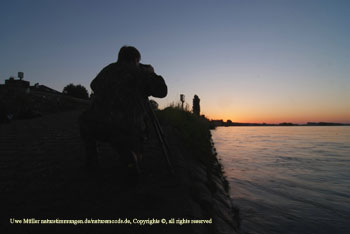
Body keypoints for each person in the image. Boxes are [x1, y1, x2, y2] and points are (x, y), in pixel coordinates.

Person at [79, 46, 167, 176]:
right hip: (128, 127)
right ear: (136, 59)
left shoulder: (108, 70)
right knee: (132, 137)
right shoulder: (140, 73)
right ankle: (133, 157)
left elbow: (94, 85)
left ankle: (92, 160)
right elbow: (162, 91)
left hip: (98, 124)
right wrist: (151, 73)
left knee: (85, 120)